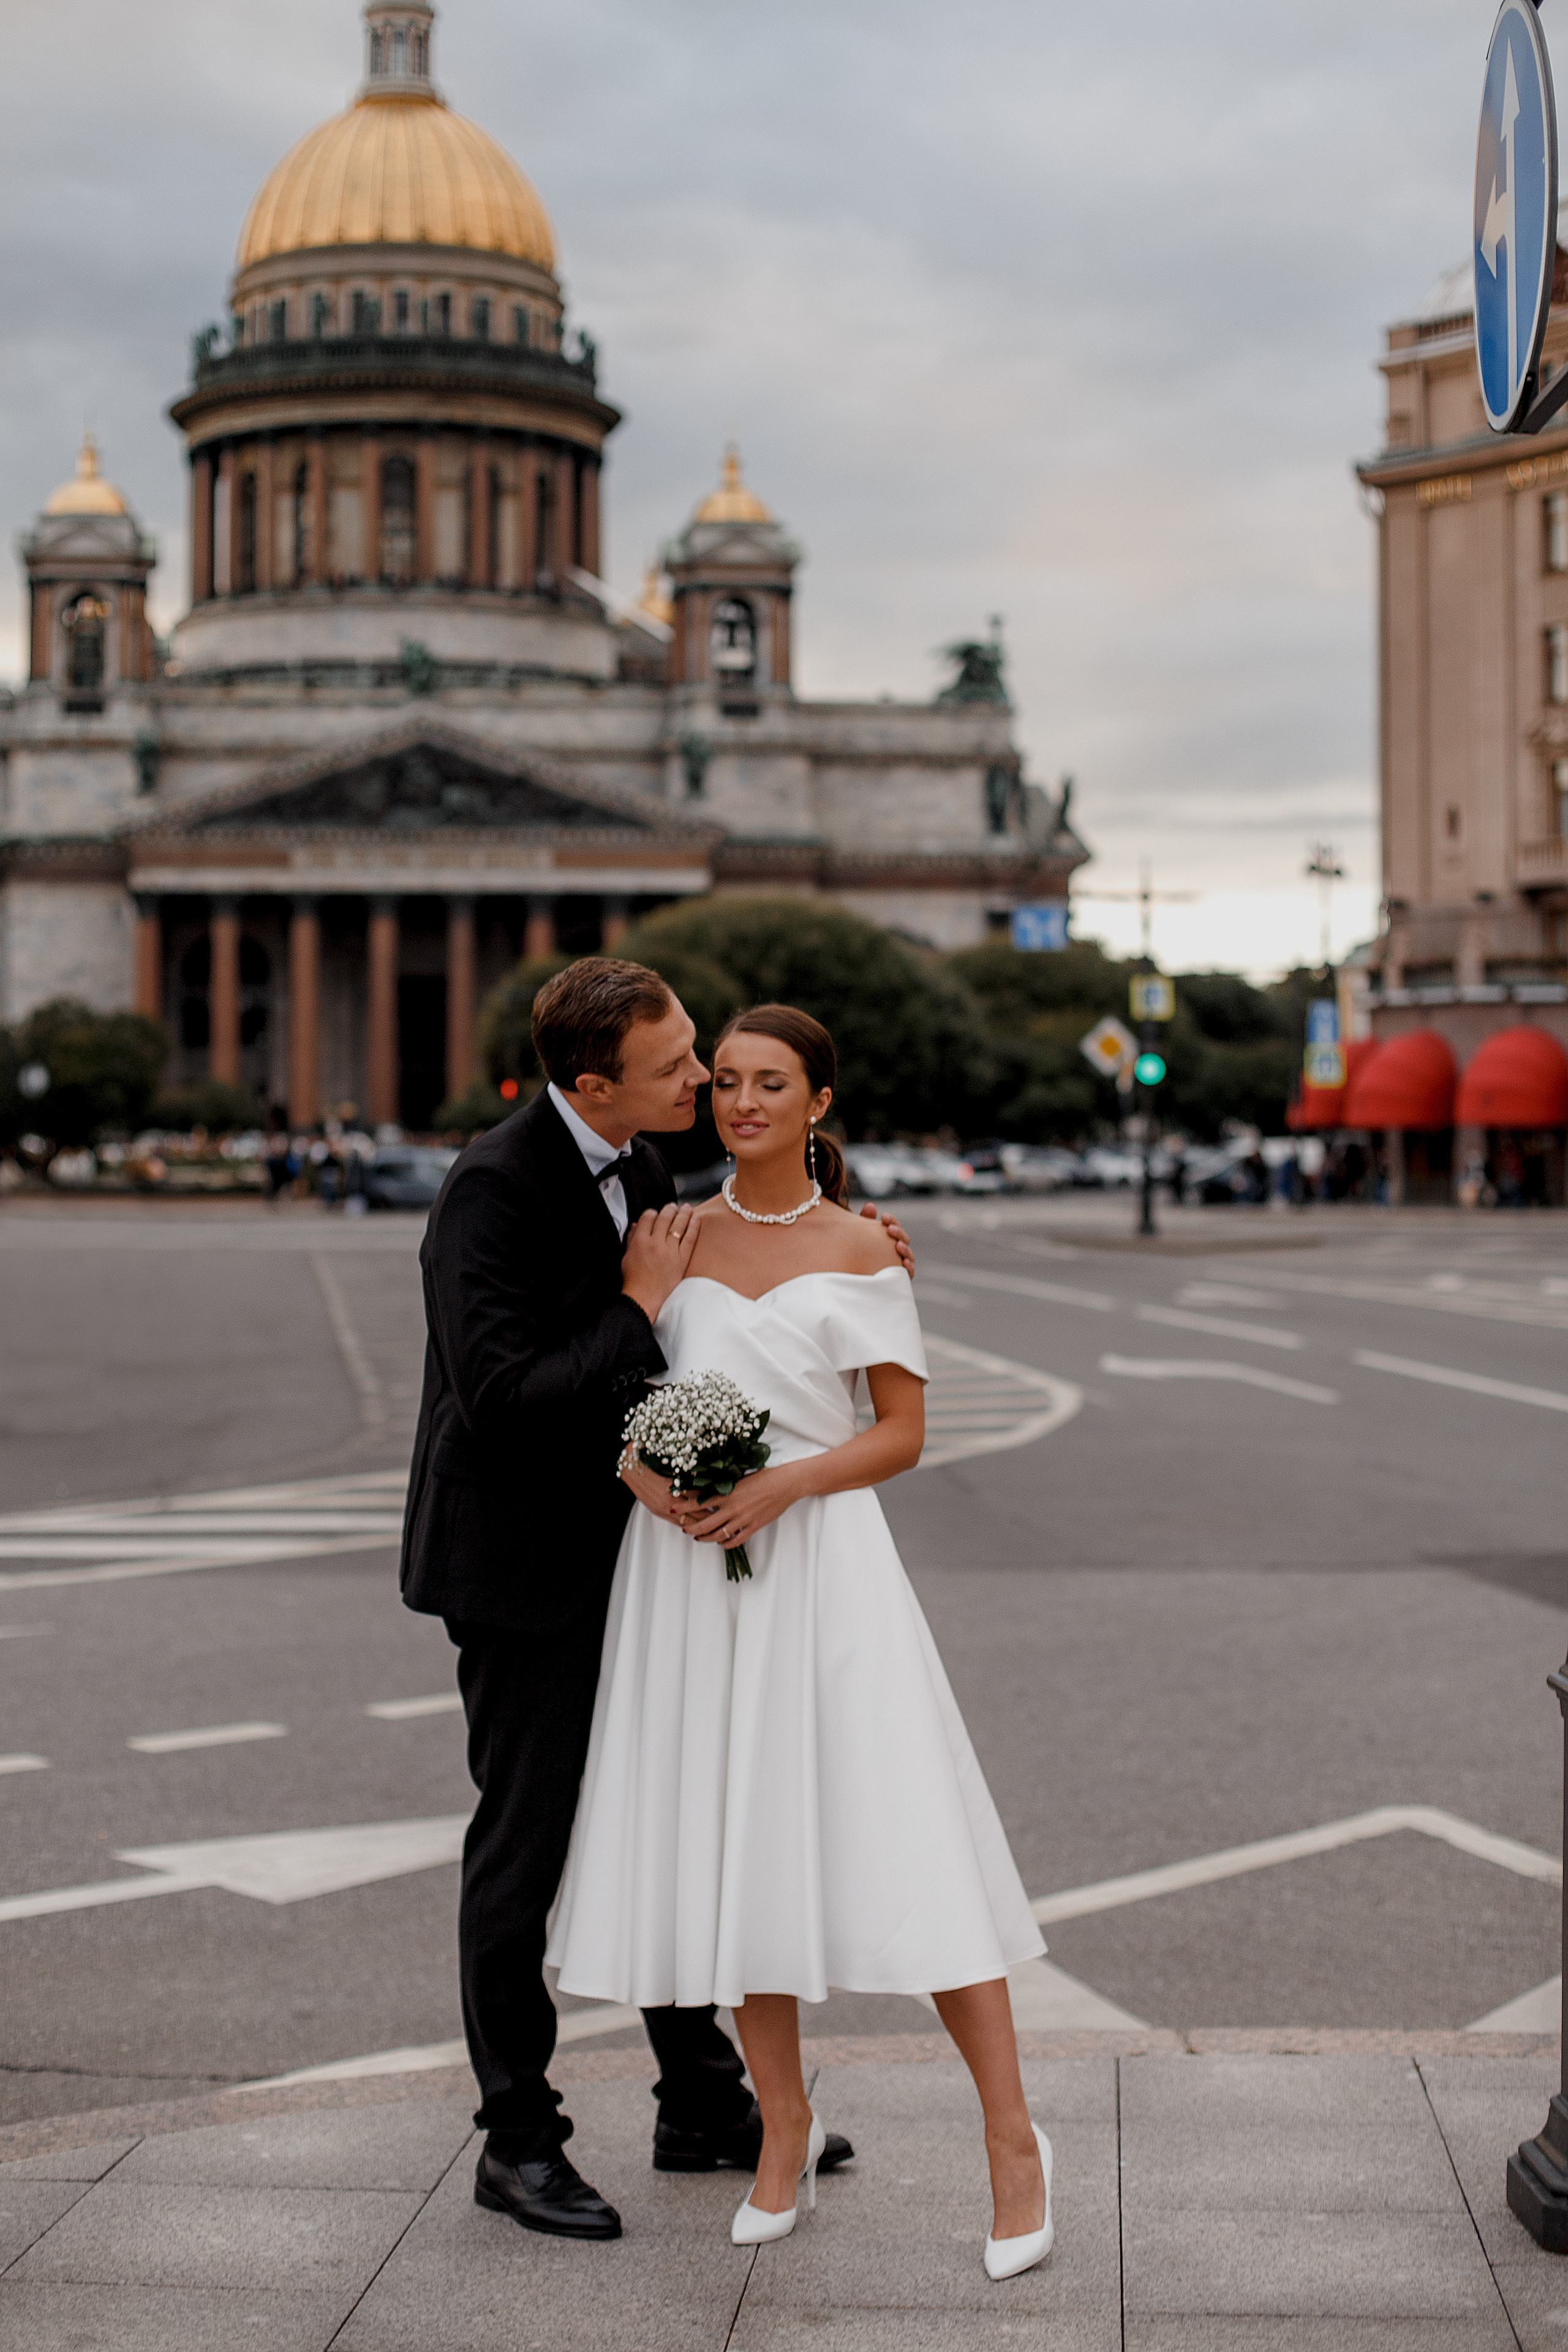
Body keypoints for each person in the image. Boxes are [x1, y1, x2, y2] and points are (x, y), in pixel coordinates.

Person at [399, 960, 913, 2244]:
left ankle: (698, 2102)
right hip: (520, 1572)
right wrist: (631, 1304)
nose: (700, 1076)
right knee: (524, 1846)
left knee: (672, 1818)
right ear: (590, 1082)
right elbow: (505, 1399)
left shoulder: (633, 1164)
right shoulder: (492, 1191)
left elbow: (713, 1304)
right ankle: (514, 2140)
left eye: (697, 1052)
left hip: (636, 1549)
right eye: (678, 1062)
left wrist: (858, 1251)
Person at [548, 1005, 1053, 2282]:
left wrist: (783, 1486)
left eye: (770, 1083)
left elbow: (899, 1436)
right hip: (692, 1581)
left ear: (818, 1101)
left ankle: (1010, 2141)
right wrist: (641, 1474)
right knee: (741, 1855)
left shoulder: (861, 1247)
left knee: (913, 1845)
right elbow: (627, 1388)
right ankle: (781, 2132)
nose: (741, 1102)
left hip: (823, 1569)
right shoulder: (665, 1235)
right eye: (722, 1082)